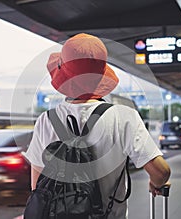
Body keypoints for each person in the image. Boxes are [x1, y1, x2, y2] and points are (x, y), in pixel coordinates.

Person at [19, 33, 171, 219]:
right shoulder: (123, 117)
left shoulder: (46, 120)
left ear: (64, 75)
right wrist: (155, 183)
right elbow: (161, 172)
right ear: (100, 76)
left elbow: (38, 188)